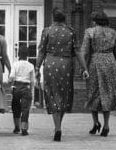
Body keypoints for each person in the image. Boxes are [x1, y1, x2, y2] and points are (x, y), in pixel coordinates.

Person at [36, 8, 88, 142]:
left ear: (53, 18)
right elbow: (77, 51)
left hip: (51, 63)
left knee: (53, 94)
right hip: (66, 65)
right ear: (64, 19)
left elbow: (41, 51)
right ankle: (58, 126)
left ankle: (57, 127)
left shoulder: (46, 31)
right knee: (64, 94)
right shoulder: (71, 31)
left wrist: (37, 68)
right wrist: (84, 68)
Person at [81, 11, 116, 137]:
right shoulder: (113, 32)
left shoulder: (90, 32)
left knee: (93, 92)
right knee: (107, 93)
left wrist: (83, 67)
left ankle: (96, 122)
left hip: (95, 63)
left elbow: (85, 52)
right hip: (110, 63)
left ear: (95, 21)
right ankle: (106, 125)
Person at [9, 46, 35, 136]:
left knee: (16, 107)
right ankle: (24, 128)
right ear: (27, 55)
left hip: (16, 87)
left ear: (18, 54)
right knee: (25, 109)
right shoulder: (31, 66)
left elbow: (12, 76)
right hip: (26, 87)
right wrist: (31, 90)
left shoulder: (15, 64)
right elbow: (32, 81)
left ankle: (16, 127)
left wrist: (10, 83)